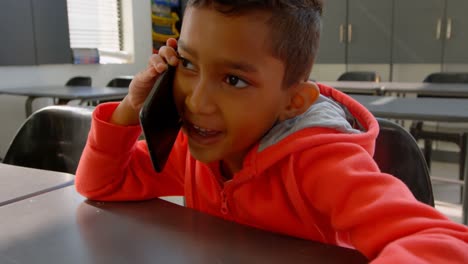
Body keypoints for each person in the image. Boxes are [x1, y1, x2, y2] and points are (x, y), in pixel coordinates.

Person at [76, 0, 468, 262]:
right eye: (188, 64)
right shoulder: (191, 148)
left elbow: (443, 244)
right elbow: (101, 185)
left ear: (293, 101)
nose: (197, 102)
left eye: (233, 79)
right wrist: (132, 107)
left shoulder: (320, 163)